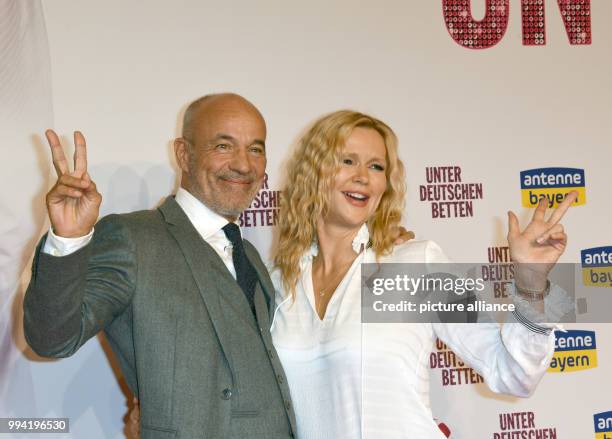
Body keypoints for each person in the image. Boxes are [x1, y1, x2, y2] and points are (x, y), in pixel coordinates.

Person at [269, 110, 576, 439]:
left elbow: (513, 374)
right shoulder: (279, 283)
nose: (363, 177)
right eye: (347, 161)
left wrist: (530, 281)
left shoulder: (414, 266)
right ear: (313, 172)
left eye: (376, 166)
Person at [23, 93, 297, 439]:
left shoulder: (252, 257)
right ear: (184, 153)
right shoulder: (132, 238)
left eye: (255, 149)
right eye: (224, 146)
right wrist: (68, 238)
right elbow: (52, 339)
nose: (243, 165)